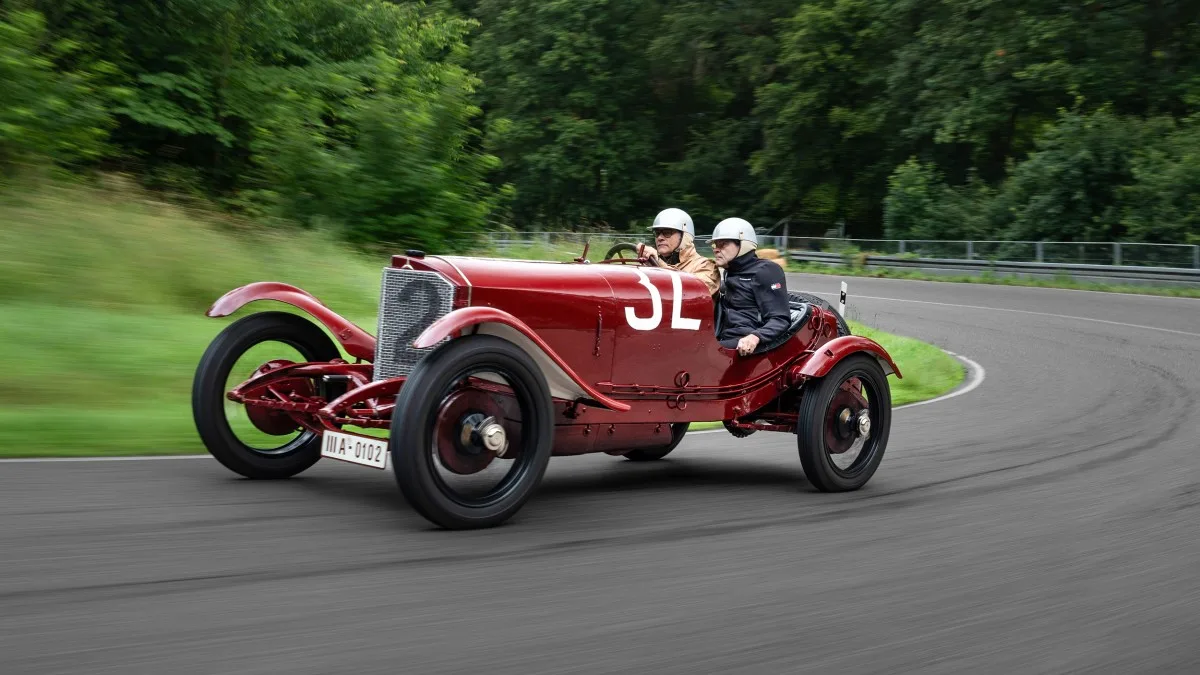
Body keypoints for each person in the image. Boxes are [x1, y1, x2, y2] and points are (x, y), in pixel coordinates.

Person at [708, 217, 790, 356]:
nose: (716, 250)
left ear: (743, 244)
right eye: (715, 245)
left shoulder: (766, 271)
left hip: (744, 342)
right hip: (722, 335)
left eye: (723, 244)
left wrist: (755, 337)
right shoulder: (730, 271)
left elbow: (780, 318)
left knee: (703, 355)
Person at [635, 208, 721, 296]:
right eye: (657, 233)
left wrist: (659, 263)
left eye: (667, 232)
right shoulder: (651, 263)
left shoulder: (706, 266)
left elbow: (695, 293)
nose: (660, 238)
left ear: (684, 236)